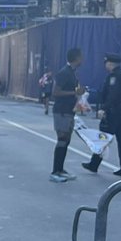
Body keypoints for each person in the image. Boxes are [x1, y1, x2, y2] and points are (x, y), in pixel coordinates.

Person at [81, 53, 121, 178]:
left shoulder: (115, 76)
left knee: (102, 138)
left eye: (106, 64)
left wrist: (104, 108)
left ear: (110, 64)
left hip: (114, 113)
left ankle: (94, 164)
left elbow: (113, 95)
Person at [49, 46, 84, 183]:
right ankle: (55, 171)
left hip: (69, 110)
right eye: (81, 56)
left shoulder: (72, 72)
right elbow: (56, 92)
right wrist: (74, 93)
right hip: (61, 111)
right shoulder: (64, 73)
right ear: (76, 58)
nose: (83, 59)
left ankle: (61, 169)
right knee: (62, 140)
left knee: (66, 140)